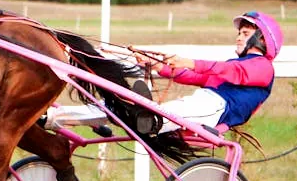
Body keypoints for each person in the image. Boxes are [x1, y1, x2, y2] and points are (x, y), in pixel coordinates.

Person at [42, 11, 283, 134]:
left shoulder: (262, 67)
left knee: (157, 111)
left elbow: (230, 70)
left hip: (216, 110)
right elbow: (197, 77)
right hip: (202, 103)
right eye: (239, 32)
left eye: (244, 33)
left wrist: (189, 61)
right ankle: (54, 118)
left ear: (261, 40)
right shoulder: (235, 66)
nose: (238, 37)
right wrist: (158, 66)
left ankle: (150, 119)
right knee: (119, 105)